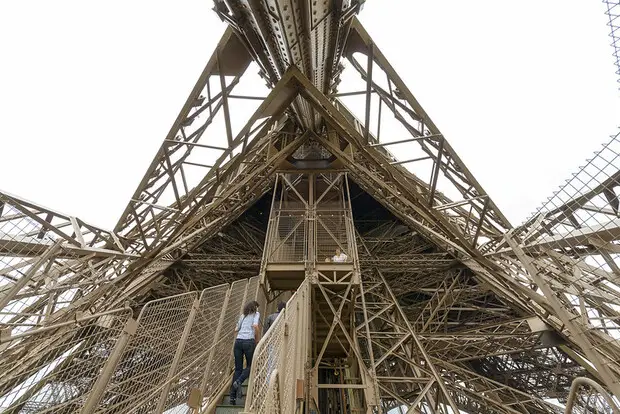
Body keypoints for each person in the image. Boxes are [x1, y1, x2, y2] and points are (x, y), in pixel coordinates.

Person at [230, 300, 260, 405]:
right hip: (248, 342)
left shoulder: (243, 315)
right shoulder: (256, 314)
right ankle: (238, 382)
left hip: (238, 342)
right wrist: (256, 339)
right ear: (255, 307)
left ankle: (232, 398)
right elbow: (255, 326)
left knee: (238, 369)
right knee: (250, 366)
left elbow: (236, 329)